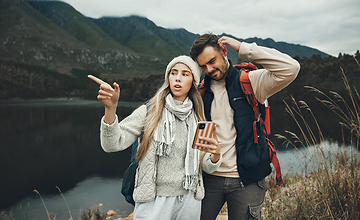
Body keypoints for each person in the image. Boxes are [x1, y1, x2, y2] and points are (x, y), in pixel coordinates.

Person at [88, 55, 222, 220]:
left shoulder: (197, 118)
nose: (178, 78)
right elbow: (112, 144)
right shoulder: (149, 111)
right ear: (168, 78)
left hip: (189, 199)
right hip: (154, 201)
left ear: (193, 82)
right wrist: (111, 109)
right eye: (173, 73)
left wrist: (215, 154)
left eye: (185, 74)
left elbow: (206, 166)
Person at [190, 34, 300, 220]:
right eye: (203, 66)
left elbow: (291, 68)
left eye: (212, 61)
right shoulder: (201, 91)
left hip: (247, 180)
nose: (209, 69)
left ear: (224, 51)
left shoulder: (251, 82)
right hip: (209, 178)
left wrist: (243, 47)